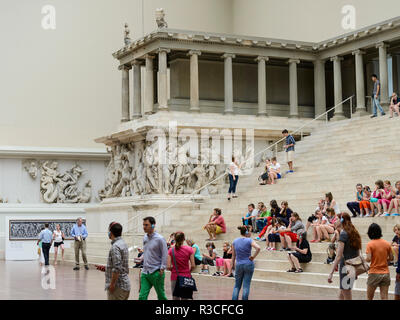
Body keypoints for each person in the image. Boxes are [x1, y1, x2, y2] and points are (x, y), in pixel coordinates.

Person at [328, 213, 362, 300]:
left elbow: (339, 256)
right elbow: (358, 252)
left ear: (341, 220)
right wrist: (356, 268)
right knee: (342, 292)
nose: (335, 221)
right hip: (352, 265)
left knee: (346, 293)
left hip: (345, 267)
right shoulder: (354, 232)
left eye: (337, 219)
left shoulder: (343, 234)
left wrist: (331, 273)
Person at [138, 216, 168, 300]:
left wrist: (162, 269)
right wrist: (141, 257)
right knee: (141, 296)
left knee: (161, 296)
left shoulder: (160, 239)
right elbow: (146, 251)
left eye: (146, 225)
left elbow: (165, 254)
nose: (144, 227)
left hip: (156, 272)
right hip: (145, 272)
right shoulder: (145, 237)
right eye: (143, 225)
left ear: (153, 225)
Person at [100, 222, 131, 300]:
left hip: (118, 288)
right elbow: (121, 265)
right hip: (125, 286)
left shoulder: (115, 247)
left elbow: (117, 268)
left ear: (111, 232)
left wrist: (112, 285)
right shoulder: (123, 244)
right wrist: (106, 268)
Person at [232, 226, 261, 300]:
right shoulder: (249, 240)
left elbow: (233, 255)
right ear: (247, 232)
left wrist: (232, 265)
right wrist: (253, 257)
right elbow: (258, 248)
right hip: (248, 263)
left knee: (236, 286)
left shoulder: (235, 241)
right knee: (246, 286)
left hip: (239, 264)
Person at [365, 223, 393, 300]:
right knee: (384, 297)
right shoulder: (387, 244)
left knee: (369, 297)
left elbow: (368, 259)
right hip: (385, 273)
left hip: (374, 272)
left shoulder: (370, 244)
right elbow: (391, 258)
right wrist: (384, 259)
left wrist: (363, 259)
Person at [167, 231, 195, 300]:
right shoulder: (190, 249)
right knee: (185, 298)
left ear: (175, 239)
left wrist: (173, 270)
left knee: (175, 298)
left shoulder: (171, 250)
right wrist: (188, 271)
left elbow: (168, 266)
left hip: (175, 276)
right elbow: (193, 265)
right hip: (186, 276)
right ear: (184, 239)